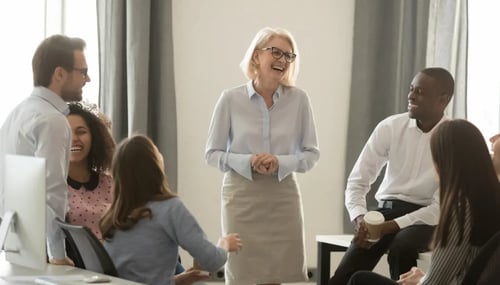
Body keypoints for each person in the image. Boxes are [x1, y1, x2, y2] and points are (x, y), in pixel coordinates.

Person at [205, 27, 320, 285]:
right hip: (241, 197)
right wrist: (248, 161)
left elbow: (311, 154)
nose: (282, 60)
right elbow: (212, 153)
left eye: (288, 56)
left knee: (280, 273)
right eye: (275, 52)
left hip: (283, 197)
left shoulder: (299, 100)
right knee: (242, 273)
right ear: (256, 56)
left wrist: (281, 162)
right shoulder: (230, 99)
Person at [329, 67, 455, 285]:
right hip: (387, 212)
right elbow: (357, 182)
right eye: (411, 89)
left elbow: (439, 208)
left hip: (429, 219)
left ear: (442, 100)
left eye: (421, 92)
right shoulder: (390, 127)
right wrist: (360, 217)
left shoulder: (454, 138)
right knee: (342, 278)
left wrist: (393, 226)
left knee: (402, 245)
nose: (411, 96)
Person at [347, 119, 500, 285]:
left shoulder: (461, 211)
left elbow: (434, 283)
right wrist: (422, 277)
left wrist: (420, 280)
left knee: (360, 280)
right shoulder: (490, 199)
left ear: (443, 161)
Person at [100, 134, 242, 285]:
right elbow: (211, 260)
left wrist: (176, 280)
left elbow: (137, 277)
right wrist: (225, 243)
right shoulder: (170, 208)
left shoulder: (113, 216)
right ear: (153, 166)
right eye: (157, 152)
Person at [0, 35, 90, 265]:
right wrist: (58, 255)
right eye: (82, 71)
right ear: (60, 74)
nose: (87, 79)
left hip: (12, 242)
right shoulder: (52, 120)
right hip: (36, 248)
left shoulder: (17, 113)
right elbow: (52, 191)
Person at [66, 102, 115, 242]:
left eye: (81, 132)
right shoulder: (52, 186)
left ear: (94, 138)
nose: (74, 139)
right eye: (66, 133)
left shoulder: (110, 184)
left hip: (118, 260)